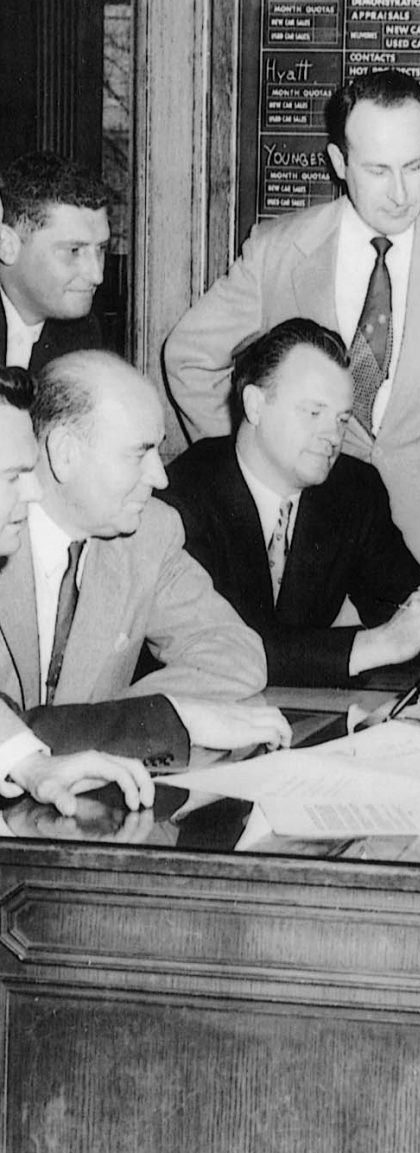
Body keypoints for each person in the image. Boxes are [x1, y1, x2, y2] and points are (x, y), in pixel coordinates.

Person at [163, 69, 420, 603]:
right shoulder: (278, 250)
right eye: (377, 169)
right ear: (339, 163)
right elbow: (188, 357)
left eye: (415, 166)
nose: (399, 192)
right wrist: (260, 465)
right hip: (316, 570)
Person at [0, 366, 286, 816]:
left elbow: (235, 652)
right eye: (139, 453)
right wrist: (164, 722)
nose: (161, 476)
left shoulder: (148, 532)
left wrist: (134, 719)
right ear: (64, 454)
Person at [160, 318, 420, 686]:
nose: (332, 435)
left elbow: (406, 603)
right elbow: (226, 646)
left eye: (342, 419)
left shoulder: (354, 488)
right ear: (255, 405)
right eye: (313, 413)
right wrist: (376, 643)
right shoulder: (185, 494)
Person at [0, 152, 110, 369]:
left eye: (101, 249)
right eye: (74, 250)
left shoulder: (82, 335)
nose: (97, 275)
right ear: (7, 246)